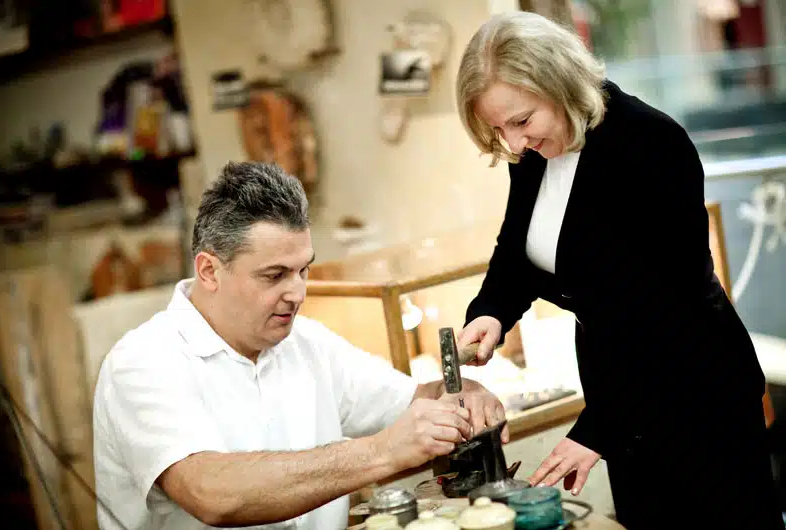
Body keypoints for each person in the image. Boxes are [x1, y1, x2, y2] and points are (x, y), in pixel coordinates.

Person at [454, 10, 783, 530]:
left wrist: (597, 429)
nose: (514, 143)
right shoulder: (537, 152)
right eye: (498, 129)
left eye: (521, 121)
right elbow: (518, 247)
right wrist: (492, 311)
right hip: (619, 388)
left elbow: (667, 312)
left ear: (560, 83)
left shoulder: (651, 142)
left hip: (696, 390)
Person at [92, 161, 509, 530]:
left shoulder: (307, 342)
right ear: (209, 271)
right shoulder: (143, 363)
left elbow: (411, 402)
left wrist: (461, 397)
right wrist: (382, 452)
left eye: (303, 271)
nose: (297, 293)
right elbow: (211, 494)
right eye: (274, 276)